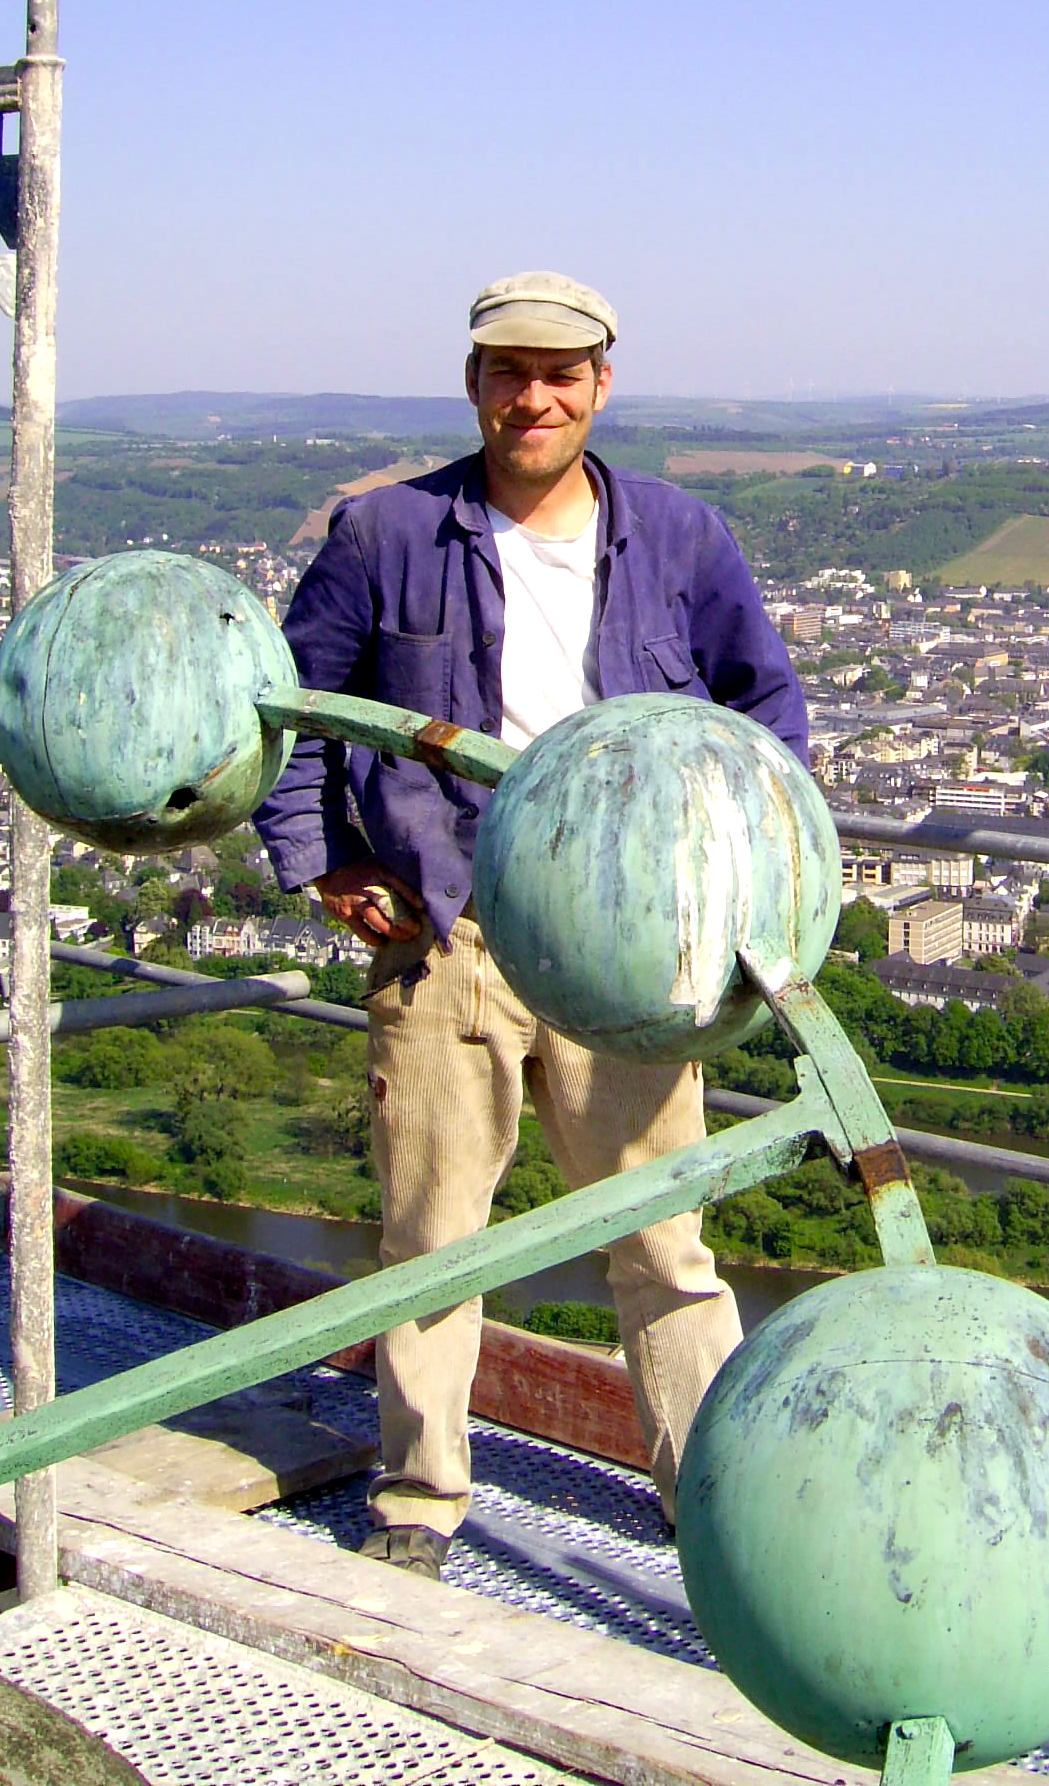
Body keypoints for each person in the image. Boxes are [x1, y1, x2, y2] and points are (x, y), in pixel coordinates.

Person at [254, 270, 808, 1575]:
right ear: (475, 386)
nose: (535, 397)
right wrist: (320, 859)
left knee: (664, 1237)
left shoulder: (680, 537)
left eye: (562, 373)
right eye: (511, 372)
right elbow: (290, 710)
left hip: (626, 941)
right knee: (432, 1233)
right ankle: (418, 1498)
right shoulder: (384, 533)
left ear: (602, 387)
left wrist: (736, 876)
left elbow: (766, 720)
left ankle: (708, 1493)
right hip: (446, 925)